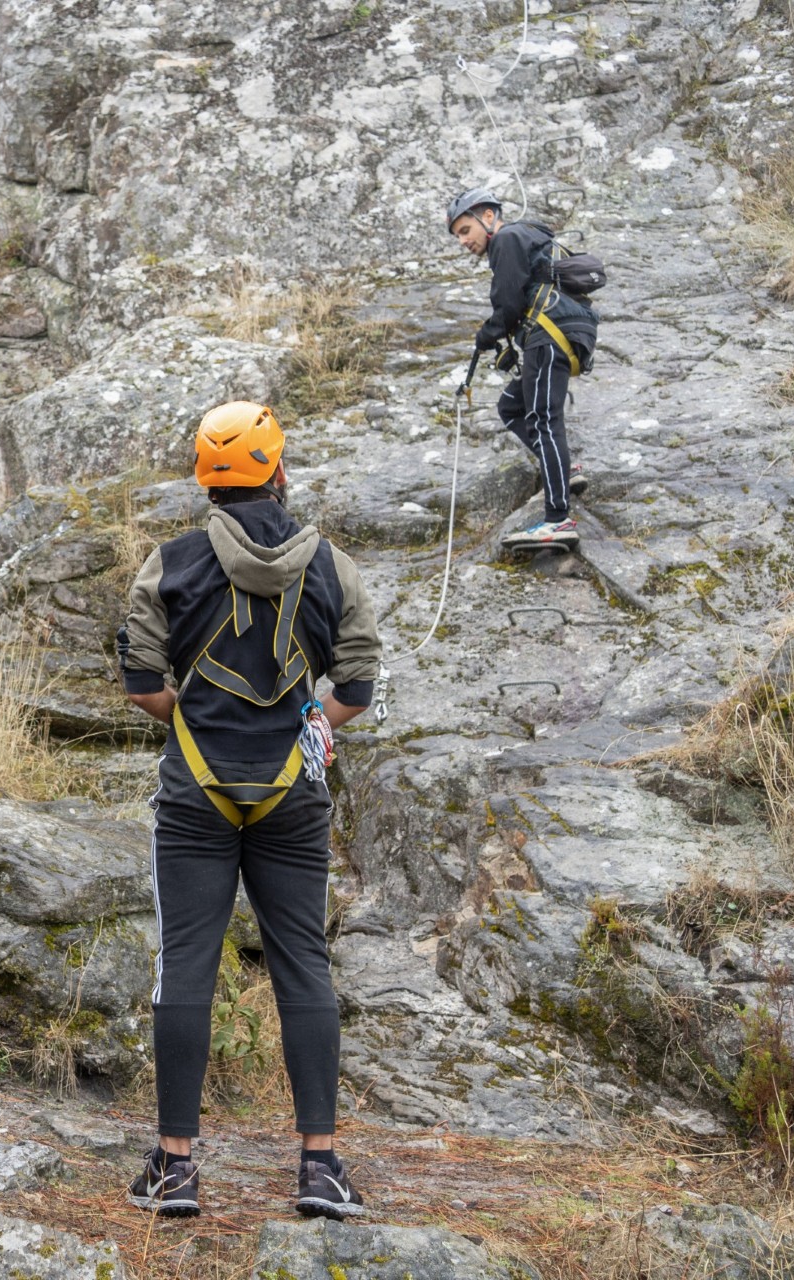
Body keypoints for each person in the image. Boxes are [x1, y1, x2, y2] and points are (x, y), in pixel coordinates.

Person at [116, 401, 381, 1221]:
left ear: (207, 480)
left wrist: (194, 725)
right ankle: (321, 1167)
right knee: (303, 959)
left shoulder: (169, 564)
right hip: (292, 795)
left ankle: (178, 1168)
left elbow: (142, 681)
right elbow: (359, 685)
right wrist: (311, 723)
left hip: (195, 793)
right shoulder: (332, 566)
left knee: (186, 962)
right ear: (277, 470)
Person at [447, 188, 598, 548]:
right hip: (558, 331)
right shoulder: (527, 237)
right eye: (457, 237)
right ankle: (562, 471)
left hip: (550, 334)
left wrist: (487, 335)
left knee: (543, 418)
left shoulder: (508, 237)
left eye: (465, 230)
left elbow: (508, 301)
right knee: (512, 406)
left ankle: (558, 519)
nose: (463, 241)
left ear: (487, 217)